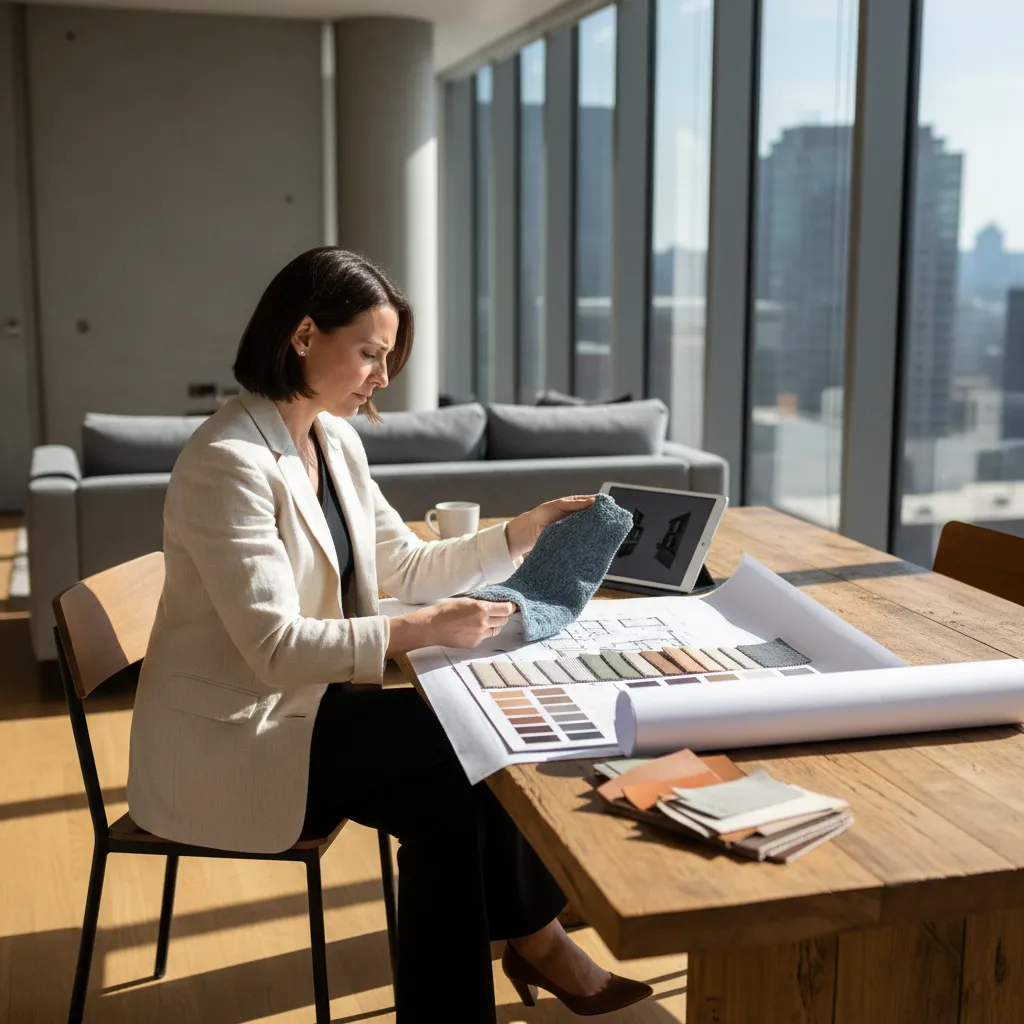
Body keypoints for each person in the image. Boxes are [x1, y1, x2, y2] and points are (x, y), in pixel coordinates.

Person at [126, 247, 653, 1021]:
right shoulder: (227, 463)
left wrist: (522, 532)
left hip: (311, 705)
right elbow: (272, 648)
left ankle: (532, 944)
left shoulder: (333, 439)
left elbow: (402, 561)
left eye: (388, 358)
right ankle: (536, 942)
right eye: (371, 354)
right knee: (456, 754)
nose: (382, 378)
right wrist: (421, 629)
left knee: (458, 774)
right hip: (237, 734)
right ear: (304, 334)